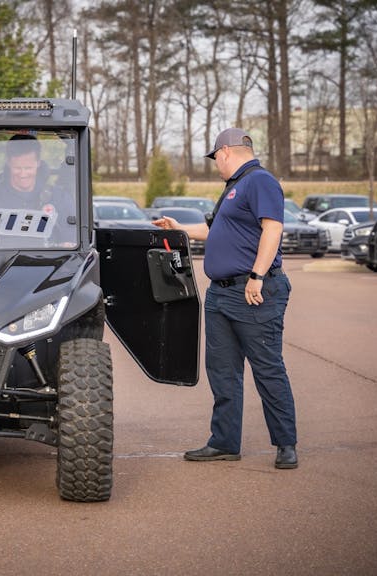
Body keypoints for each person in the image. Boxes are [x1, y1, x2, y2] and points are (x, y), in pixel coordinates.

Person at [152, 127, 298, 469]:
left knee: (267, 369)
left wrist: (257, 276)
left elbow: (273, 228)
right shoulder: (233, 188)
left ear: (226, 152)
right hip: (221, 295)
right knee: (222, 371)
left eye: (215, 158)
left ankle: (286, 444)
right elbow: (214, 229)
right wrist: (179, 228)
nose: (215, 164)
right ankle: (224, 442)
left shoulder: (259, 181)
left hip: (253, 292)